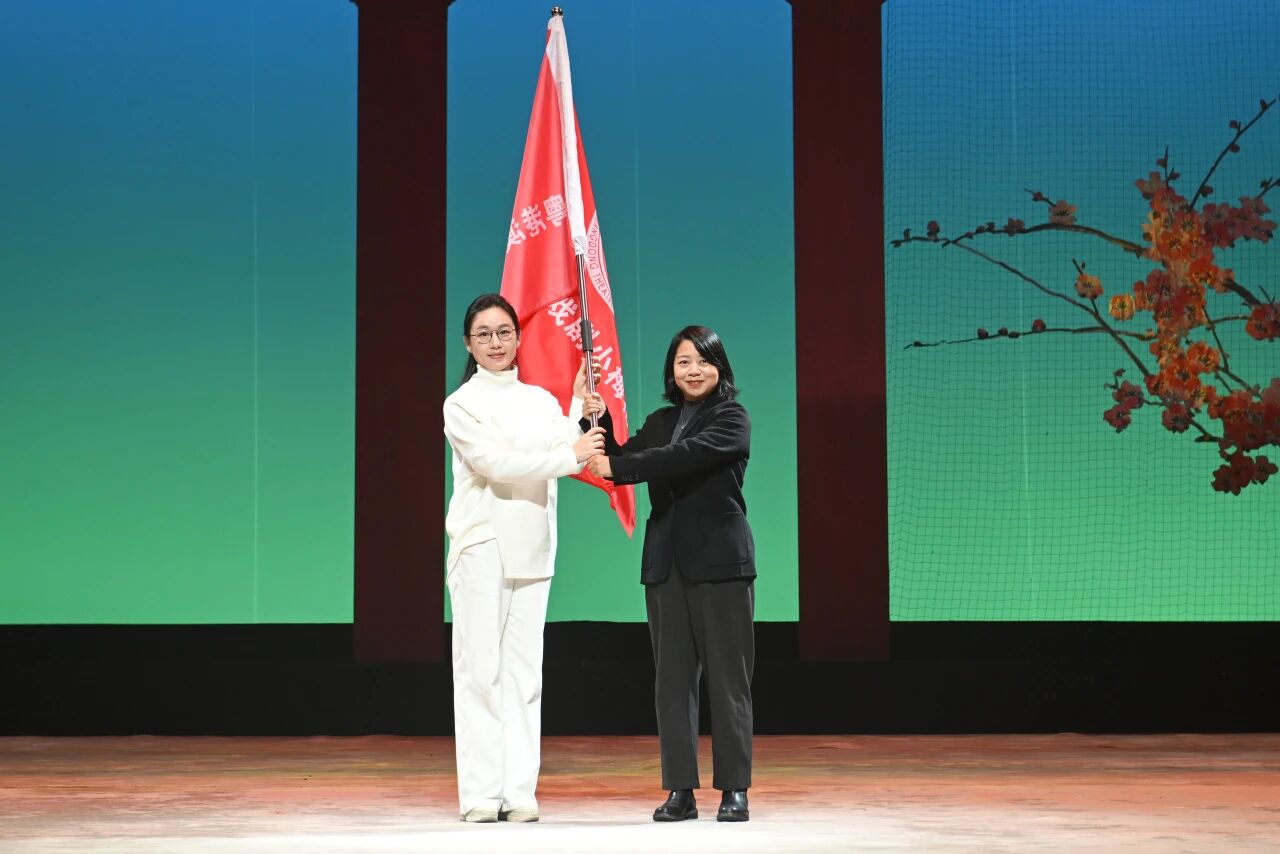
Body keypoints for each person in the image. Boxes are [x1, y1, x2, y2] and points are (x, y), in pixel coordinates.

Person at [443, 292, 605, 823]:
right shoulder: (460, 404)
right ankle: (480, 793)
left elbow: (567, 443)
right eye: (484, 334)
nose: (495, 343)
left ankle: (518, 791)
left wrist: (579, 408)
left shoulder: (539, 399)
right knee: (480, 671)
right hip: (482, 542)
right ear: (468, 344)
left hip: (532, 542)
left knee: (523, 674)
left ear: (517, 338)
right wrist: (568, 454)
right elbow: (496, 463)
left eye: (504, 332)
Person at [586, 325, 755, 823]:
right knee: (672, 682)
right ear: (672, 371)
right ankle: (681, 790)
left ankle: (735, 789)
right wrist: (594, 413)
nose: (694, 370)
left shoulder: (732, 418)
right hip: (665, 565)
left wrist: (621, 468)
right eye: (684, 362)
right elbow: (618, 457)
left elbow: (684, 457)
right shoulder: (660, 421)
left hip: (721, 564)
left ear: (720, 367)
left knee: (728, 680)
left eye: (703, 361)